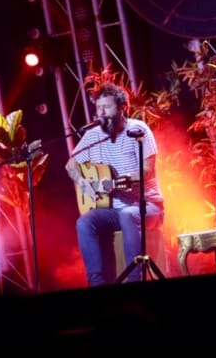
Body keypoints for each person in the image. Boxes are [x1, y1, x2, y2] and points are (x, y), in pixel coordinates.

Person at [65, 82, 164, 286]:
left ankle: (135, 280)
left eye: (107, 107)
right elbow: (70, 165)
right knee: (85, 222)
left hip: (147, 207)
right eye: (98, 108)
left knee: (128, 214)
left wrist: (123, 180)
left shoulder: (138, 130)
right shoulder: (92, 136)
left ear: (122, 107)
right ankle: (98, 284)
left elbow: (148, 169)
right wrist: (83, 183)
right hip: (113, 211)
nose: (101, 113)